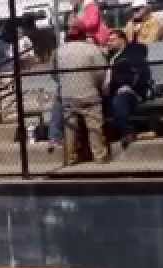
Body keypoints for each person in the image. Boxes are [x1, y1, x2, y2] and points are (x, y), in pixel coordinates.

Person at [47, 23, 110, 164]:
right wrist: (95, 84)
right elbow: (101, 72)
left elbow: (53, 73)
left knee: (70, 127)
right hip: (89, 93)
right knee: (95, 127)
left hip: (68, 95)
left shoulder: (58, 51)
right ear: (83, 34)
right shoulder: (92, 49)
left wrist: (64, 82)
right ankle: (99, 156)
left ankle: (70, 157)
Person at [104, 32, 152, 148]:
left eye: (112, 40)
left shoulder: (133, 54)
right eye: (108, 40)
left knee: (119, 101)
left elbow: (142, 73)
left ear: (122, 40)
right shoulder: (109, 57)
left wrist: (130, 87)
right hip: (110, 91)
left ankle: (128, 132)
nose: (108, 42)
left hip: (131, 91)